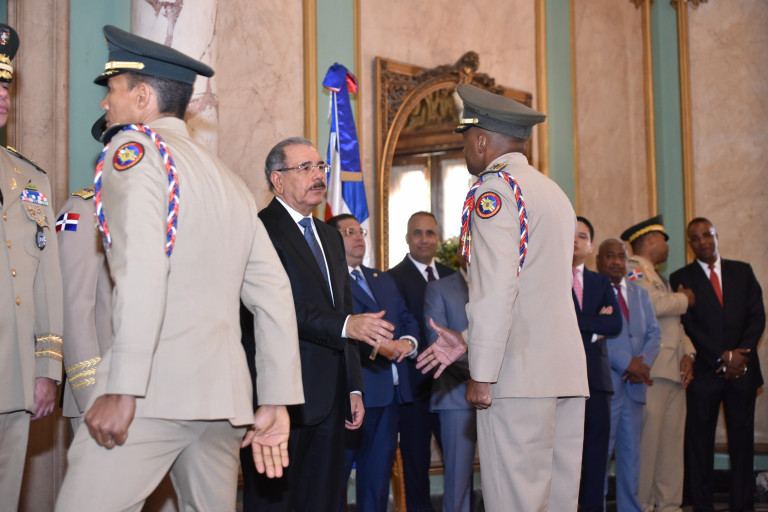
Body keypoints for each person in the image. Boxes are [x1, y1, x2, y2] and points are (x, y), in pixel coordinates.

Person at [55, 26, 304, 512]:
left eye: (113, 90)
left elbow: (143, 270)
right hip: (224, 403)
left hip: (150, 394)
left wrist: (123, 387)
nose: (105, 103)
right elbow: (274, 291)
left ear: (142, 97)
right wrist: (276, 399)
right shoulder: (229, 180)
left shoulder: (133, 153)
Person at [417, 83, 589, 511]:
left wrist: (482, 371)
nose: (464, 151)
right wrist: (468, 339)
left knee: (515, 502)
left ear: (480, 141)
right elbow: (535, 289)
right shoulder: (553, 192)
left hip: (517, 378)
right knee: (558, 502)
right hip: (564, 374)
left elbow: (496, 289)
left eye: (464, 141)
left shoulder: (494, 192)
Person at [248, 137, 394, 511]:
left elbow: (345, 310)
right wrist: (346, 325)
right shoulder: (259, 229)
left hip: (332, 396)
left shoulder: (329, 235)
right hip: (283, 394)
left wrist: (354, 387)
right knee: (276, 501)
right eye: (305, 168)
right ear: (277, 180)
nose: (318, 175)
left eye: (320, 167)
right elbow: (276, 308)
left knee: (326, 500)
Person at [0, 23, 63, 511]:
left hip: (14, 378)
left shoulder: (29, 178)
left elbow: (47, 279)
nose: (3, 96)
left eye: (5, 86)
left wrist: (47, 368)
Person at [670, 217, 765, 512]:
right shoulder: (680, 278)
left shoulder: (742, 271)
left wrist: (739, 356)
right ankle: (702, 505)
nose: (702, 241)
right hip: (704, 373)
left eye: (707, 235)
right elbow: (687, 325)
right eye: (695, 238)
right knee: (699, 445)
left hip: (742, 371)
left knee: (742, 443)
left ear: (716, 236)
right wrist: (722, 355)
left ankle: (742, 505)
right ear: (690, 244)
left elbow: (757, 316)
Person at [327, 213, 419, 512]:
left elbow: (406, 318)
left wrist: (407, 344)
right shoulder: (328, 282)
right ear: (331, 239)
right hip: (351, 396)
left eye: (360, 231)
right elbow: (333, 332)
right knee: (335, 483)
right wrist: (380, 348)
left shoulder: (382, 279)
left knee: (376, 484)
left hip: (389, 398)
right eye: (349, 232)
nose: (358, 237)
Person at [621, 215, 696, 512]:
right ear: (651, 238)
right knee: (648, 445)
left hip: (673, 369)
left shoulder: (658, 276)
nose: (667, 246)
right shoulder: (633, 270)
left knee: (671, 447)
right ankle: (643, 505)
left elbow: (674, 325)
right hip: (652, 368)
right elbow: (649, 305)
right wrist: (684, 299)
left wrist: (689, 354)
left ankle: (669, 506)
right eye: (664, 239)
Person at [387, 210, 454, 512]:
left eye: (430, 233)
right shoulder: (391, 279)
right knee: (415, 464)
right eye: (418, 232)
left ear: (438, 238)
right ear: (407, 238)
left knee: (458, 461)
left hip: (453, 387)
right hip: (413, 388)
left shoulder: (454, 277)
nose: (424, 239)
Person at [596, 238, 661, 512]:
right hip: (607, 387)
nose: (616, 262)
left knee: (631, 457)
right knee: (599, 457)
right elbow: (595, 336)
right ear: (598, 261)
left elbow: (654, 334)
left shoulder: (640, 293)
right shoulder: (593, 292)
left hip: (634, 389)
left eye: (621, 257)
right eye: (610, 256)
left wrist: (641, 365)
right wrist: (628, 364)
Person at [572, 217, 622, 512]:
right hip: (561, 381)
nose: (575, 240)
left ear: (591, 246)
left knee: (596, 457)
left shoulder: (601, 282)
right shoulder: (549, 279)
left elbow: (614, 324)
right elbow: (554, 322)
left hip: (597, 382)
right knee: (563, 455)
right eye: (570, 234)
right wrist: (594, 328)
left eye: (582, 236)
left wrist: (580, 325)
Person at [423, 251, 477, 512]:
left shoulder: (503, 286)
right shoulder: (439, 288)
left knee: (504, 476)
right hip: (456, 395)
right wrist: (479, 374)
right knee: (458, 481)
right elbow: (439, 344)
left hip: (503, 394)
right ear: (461, 251)